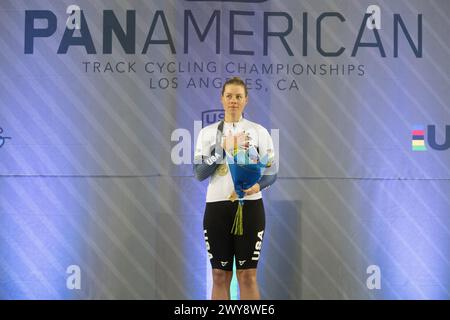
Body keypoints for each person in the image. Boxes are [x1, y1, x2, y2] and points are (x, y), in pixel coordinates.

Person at [193, 77, 278, 300]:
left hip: (250, 207)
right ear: (222, 99)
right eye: (229, 96)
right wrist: (223, 149)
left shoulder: (259, 132)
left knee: (247, 275)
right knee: (219, 275)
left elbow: (272, 173)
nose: (233, 101)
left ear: (246, 100)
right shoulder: (207, 133)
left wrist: (256, 186)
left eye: (238, 96)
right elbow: (200, 173)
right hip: (217, 208)